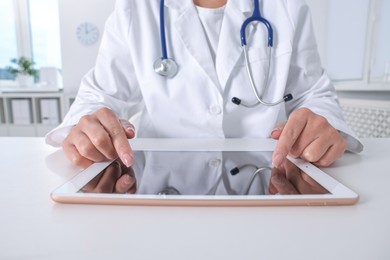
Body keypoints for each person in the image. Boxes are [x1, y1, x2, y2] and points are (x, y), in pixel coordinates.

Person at [46, 0, 363, 172]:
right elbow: (98, 96)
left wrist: (324, 123)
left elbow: (313, 94)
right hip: (162, 191)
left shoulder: (287, 7)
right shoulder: (134, 9)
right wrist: (86, 126)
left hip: (266, 184)